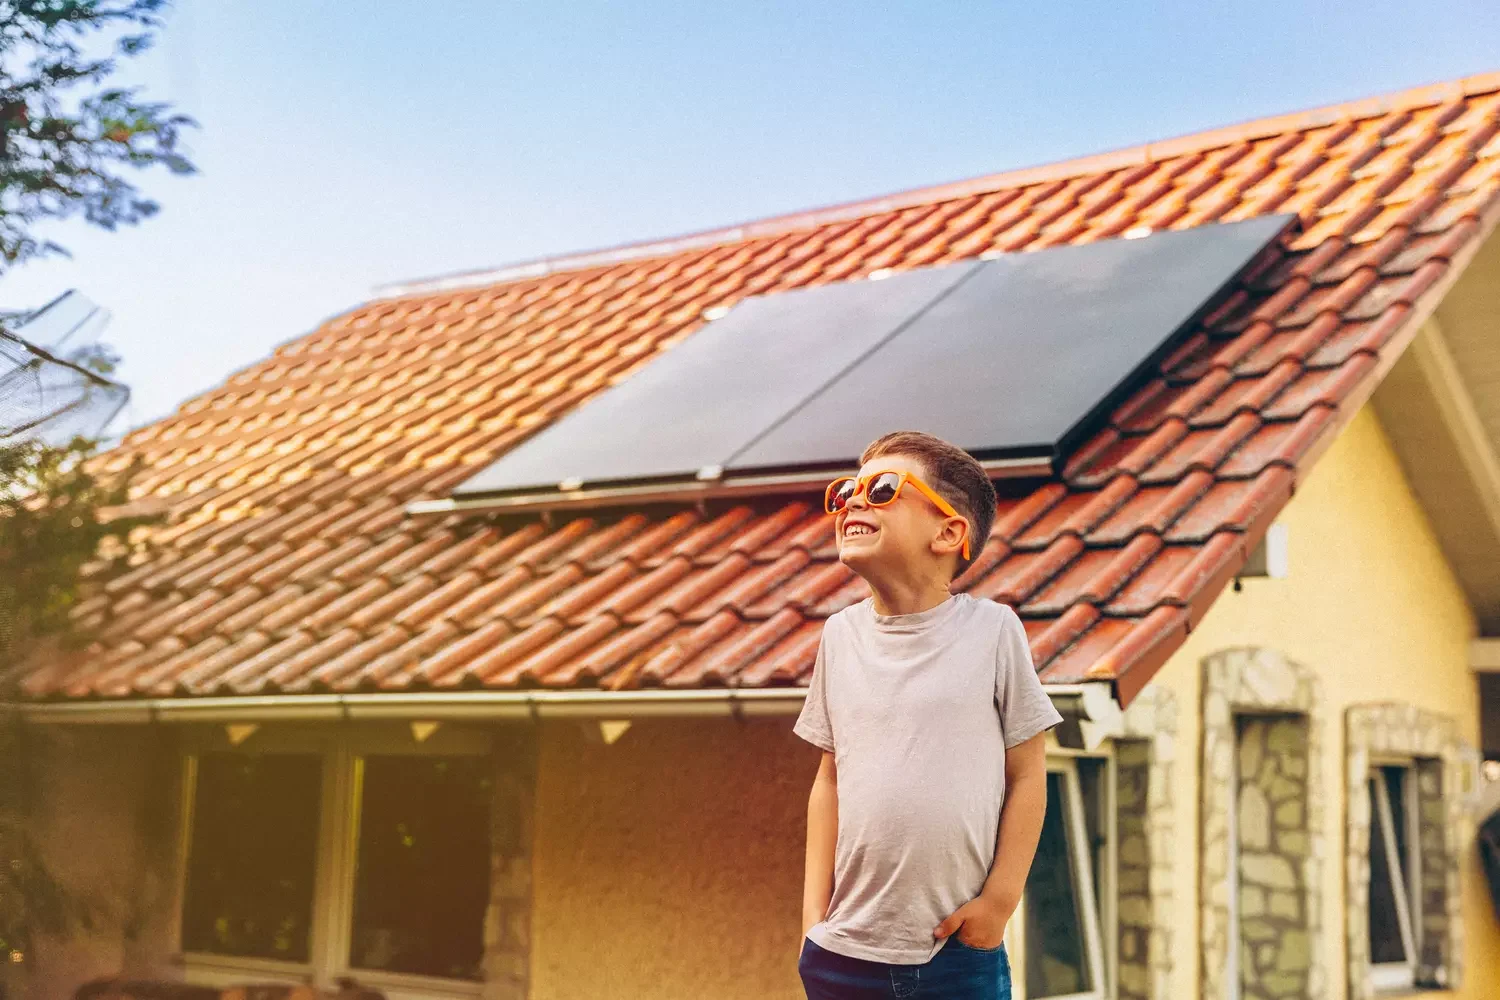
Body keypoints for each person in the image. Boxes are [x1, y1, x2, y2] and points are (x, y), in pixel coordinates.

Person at [795, 430, 1063, 1000]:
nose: (854, 501)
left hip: (955, 954)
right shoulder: (839, 637)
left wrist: (999, 904)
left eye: (882, 489)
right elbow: (829, 780)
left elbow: (1028, 775)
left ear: (948, 532)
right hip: (842, 955)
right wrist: (812, 922)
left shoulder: (994, 631)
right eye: (846, 492)